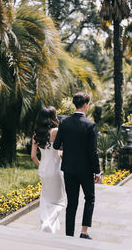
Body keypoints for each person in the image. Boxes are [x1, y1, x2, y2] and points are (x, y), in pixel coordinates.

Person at [53, 92, 101, 239]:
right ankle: (84, 232)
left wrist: (66, 152)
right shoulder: (90, 125)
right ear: (85, 105)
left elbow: (56, 145)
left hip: (68, 169)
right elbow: (93, 152)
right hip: (86, 170)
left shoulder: (64, 122)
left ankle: (68, 235)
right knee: (90, 199)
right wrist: (97, 172)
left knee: (71, 203)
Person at [31, 106, 65, 233]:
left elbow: (33, 156)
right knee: (59, 201)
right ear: (52, 117)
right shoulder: (56, 131)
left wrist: (41, 164)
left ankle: (46, 224)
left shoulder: (36, 134)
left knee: (46, 198)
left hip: (43, 168)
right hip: (55, 168)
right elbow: (56, 150)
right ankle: (48, 223)